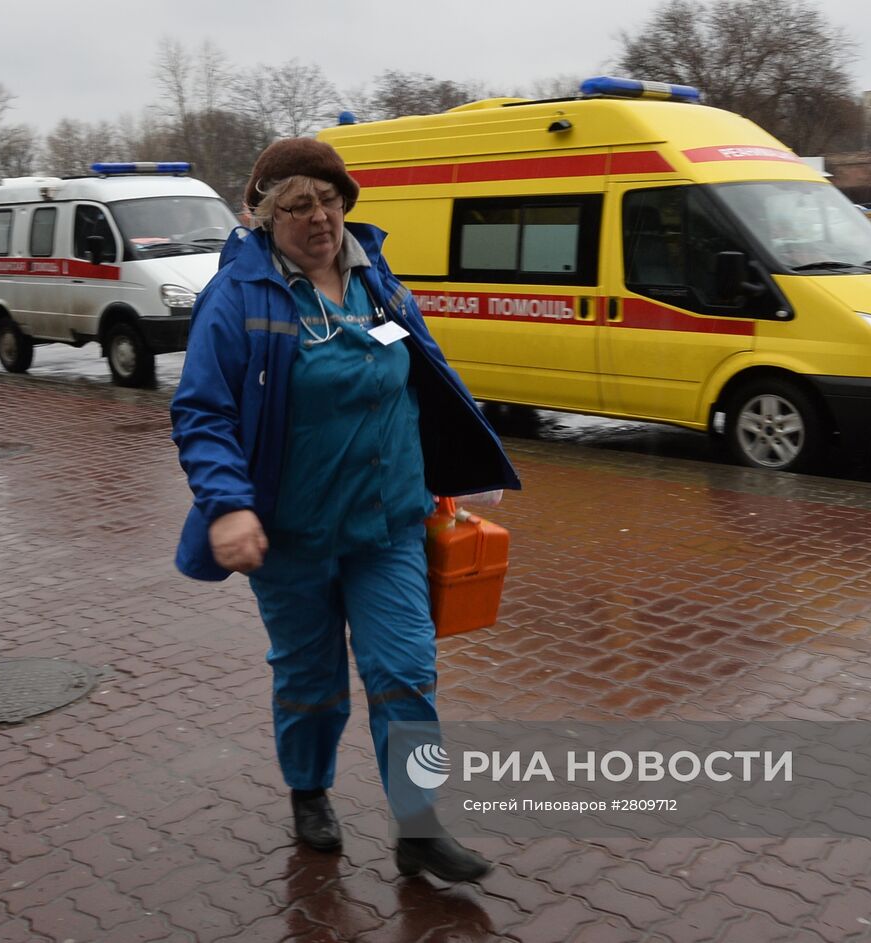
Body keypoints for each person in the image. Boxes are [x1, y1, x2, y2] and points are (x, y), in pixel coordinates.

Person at [170, 138, 520, 882]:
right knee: (311, 680)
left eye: (329, 199)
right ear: (265, 217)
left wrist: (458, 461)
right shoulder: (240, 297)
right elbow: (203, 412)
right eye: (296, 205)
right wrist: (228, 505)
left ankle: (419, 827)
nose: (319, 217)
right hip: (293, 535)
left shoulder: (376, 280)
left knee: (407, 671)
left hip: (388, 526)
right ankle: (308, 790)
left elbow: (422, 372)